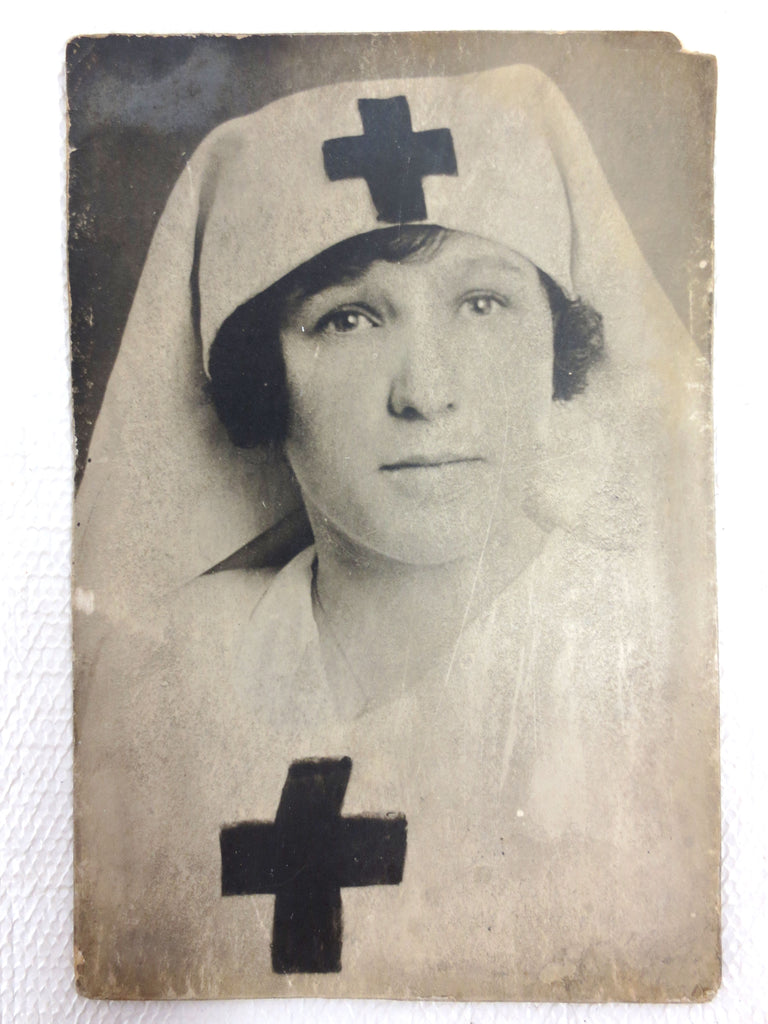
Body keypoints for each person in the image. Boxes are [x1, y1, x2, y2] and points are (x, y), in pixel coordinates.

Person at [73, 64, 719, 1001]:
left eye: (483, 304)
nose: (426, 392)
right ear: (266, 379)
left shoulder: (652, 660)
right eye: (348, 319)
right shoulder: (158, 671)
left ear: (555, 347)